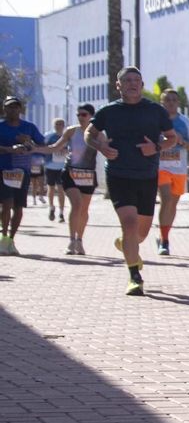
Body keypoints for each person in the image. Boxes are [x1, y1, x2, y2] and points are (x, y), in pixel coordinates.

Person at [85, 69, 179, 295]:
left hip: (147, 175)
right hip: (118, 174)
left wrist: (155, 147)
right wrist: (101, 148)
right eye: (127, 80)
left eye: (136, 80)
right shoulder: (108, 111)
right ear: (118, 85)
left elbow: (172, 138)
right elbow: (89, 134)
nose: (132, 84)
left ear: (142, 84)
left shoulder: (155, 110)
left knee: (141, 234)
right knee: (129, 224)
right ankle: (134, 276)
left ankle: (125, 243)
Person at [154, 90, 189, 256]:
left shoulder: (185, 122)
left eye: (174, 100)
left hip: (179, 168)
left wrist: (182, 142)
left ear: (178, 103)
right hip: (161, 166)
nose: (171, 103)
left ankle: (163, 234)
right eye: (167, 100)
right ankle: (165, 241)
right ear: (162, 102)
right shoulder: (155, 121)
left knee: (173, 204)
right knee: (165, 200)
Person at [0, 96, 44, 256]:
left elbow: (43, 145)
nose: (13, 110)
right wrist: (10, 149)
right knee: (7, 202)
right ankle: (3, 237)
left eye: (16, 107)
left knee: (18, 207)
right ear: (4, 109)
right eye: (10, 107)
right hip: (3, 170)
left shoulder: (29, 127)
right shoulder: (1, 126)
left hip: (22, 172)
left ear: (21, 109)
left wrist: (30, 142)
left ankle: (11, 239)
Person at [57, 104, 99, 255]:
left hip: (88, 174)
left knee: (84, 209)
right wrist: (35, 148)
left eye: (84, 114)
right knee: (76, 204)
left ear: (91, 116)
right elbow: (55, 147)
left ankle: (79, 241)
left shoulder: (97, 133)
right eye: (79, 115)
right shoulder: (71, 131)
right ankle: (71, 240)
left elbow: (108, 146)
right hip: (70, 172)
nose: (81, 117)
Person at [43, 117, 68, 223]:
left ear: (64, 126)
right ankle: (51, 207)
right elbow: (43, 147)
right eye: (57, 124)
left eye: (61, 124)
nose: (59, 126)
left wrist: (64, 151)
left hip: (62, 166)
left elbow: (70, 150)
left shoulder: (66, 137)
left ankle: (61, 212)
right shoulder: (48, 136)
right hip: (50, 165)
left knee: (61, 189)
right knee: (51, 188)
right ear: (54, 125)